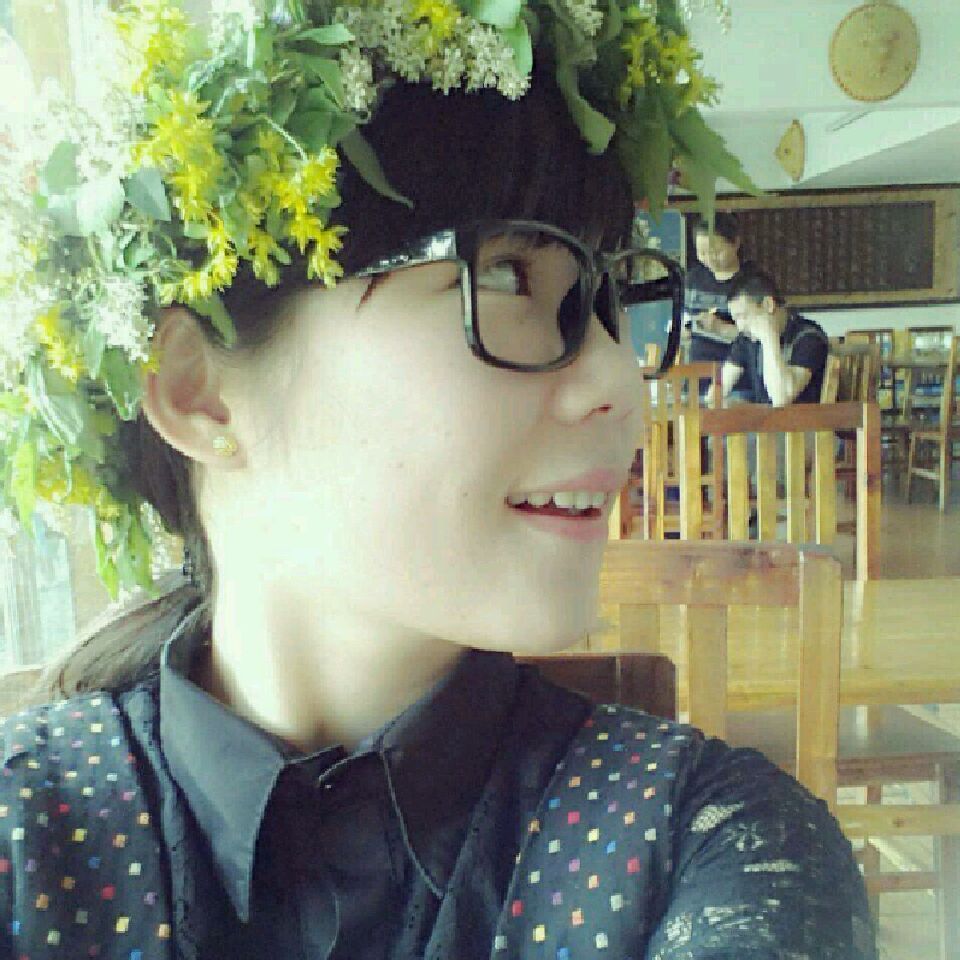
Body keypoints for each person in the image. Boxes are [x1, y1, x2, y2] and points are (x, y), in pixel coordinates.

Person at [0, 2, 875, 958]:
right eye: (504, 278)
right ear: (198, 392)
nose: (621, 382)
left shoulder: (710, 850)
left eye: (607, 301)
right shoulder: (27, 842)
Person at [723, 271, 830, 406]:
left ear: (768, 305)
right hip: (765, 417)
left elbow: (781, 398)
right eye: (736, 319)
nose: (740, 326)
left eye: (743, 316)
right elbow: (721, 386)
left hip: (806, 418)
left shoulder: (809, 338)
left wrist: (769, 336)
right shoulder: (747, 337)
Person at [684, 212, 758, 383]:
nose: (709, 259)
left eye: (716, 252)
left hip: (740, 379)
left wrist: (721, 328)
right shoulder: (693, 279)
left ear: (735, 243)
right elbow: (683, 317)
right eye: (702, 253)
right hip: (697, 375)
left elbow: (762, 337)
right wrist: (685, 329)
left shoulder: (753, 282)